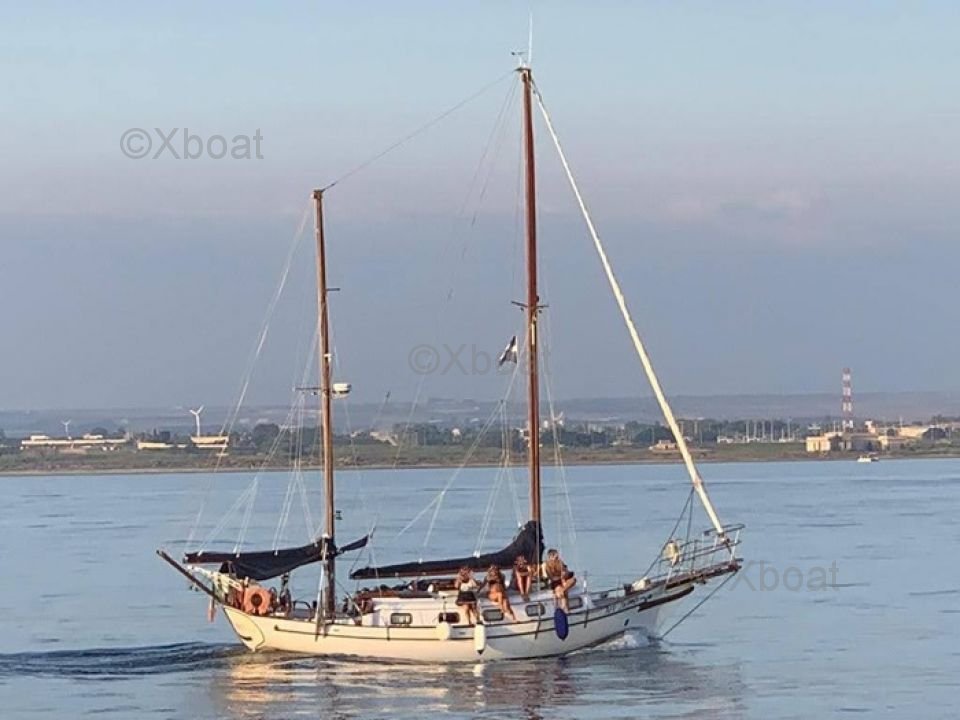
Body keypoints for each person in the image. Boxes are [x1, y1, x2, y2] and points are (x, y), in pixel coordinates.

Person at [543, 548, 576, 612]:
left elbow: (565, 571)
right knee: (562, 593)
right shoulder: (547, 565)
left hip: (563, 580)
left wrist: (564, 575)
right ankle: (566, 608)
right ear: (550, 556)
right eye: (555, 555)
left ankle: (563, 589)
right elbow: (551, 577)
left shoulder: (560, 562)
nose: (557, 556)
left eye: (557, 554)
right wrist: (560, 578)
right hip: (555, 582)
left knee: (573, 580)